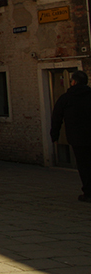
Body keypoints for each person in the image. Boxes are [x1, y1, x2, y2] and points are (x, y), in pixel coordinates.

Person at [50, 70, 91, 202]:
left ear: (73, 82)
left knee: (83, 165)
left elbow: (56, 117)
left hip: (77, 137)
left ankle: (88, 191)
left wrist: (54, 135)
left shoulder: (66, 98)